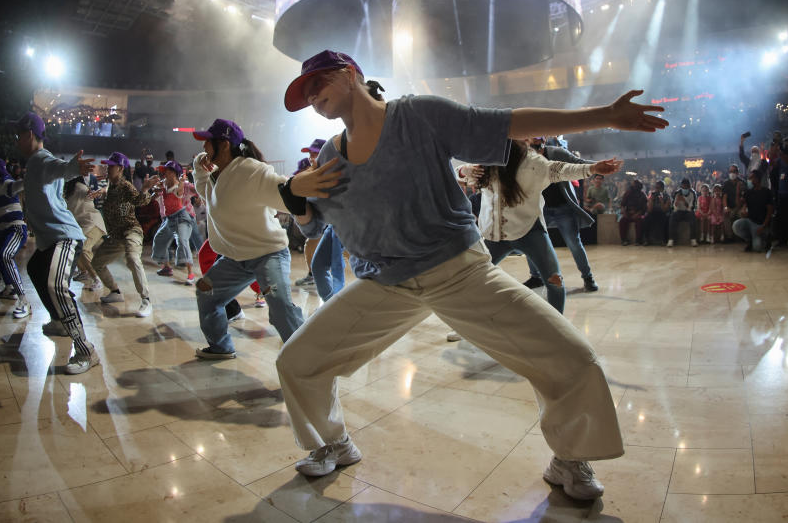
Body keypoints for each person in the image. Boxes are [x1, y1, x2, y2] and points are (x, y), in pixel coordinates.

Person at [275, 49, 668, 499]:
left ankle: (569, 459)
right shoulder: (329, 155)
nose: (311, 98)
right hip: (383, 283)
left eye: (316, 85)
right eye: (305, 94)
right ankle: (332, 443)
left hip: (457, 271)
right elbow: (313, 223)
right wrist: (294, 192)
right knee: (298, 361)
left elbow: (505, 122)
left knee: (573, 358)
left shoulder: (416, 115)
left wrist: (606, 116)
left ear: (350, 75)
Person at [190, 118, 305, 359]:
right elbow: (207, 194)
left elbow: (284, 192)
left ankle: (305, 360)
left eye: (207, 143)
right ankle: (220, 347)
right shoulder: (218, 176)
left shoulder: (251, 171)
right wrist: (199, 170)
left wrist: (305, 188)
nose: (204, 148)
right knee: (206, 293)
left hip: (267, 253)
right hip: (236, 258)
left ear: (223, 144)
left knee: (280, 308)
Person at [469, 140, 621, 317]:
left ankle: (560, 324)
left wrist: (593, 168)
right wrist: (464, 171)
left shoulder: (533, 162)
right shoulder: (487, 161)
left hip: (529, 230)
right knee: (472, 279)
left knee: (555, 279)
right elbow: (463, 173)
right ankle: (469, 322)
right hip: (494, 234)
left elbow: (561, 169)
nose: (530, 140)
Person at [13, 112, 98, 374]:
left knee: (55, 284)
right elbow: (49, 175)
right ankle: (61, 322)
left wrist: (73, 167)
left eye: (18, 136)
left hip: (65, 236)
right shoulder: (33, 165)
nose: (16, 141)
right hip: (52, 238)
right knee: (36, 269)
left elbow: (56, 167)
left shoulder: (41, 159)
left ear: (29, 135)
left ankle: (86, 350)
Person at [525, 140, 600, 292]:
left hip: (562, 207)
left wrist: (599, 166)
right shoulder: (524, 157)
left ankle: (588, 278)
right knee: (530, 240)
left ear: (543, 145)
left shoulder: (556, 153)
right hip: (540, 208)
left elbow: (578, 163)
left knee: (574, 243)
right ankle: (536, 277)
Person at [90, 152, 159, 318]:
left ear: (120, 168)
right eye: (108, 165)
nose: (108, 168)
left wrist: (145, 188)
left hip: (131, 231)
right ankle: (115, 291)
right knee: (97, 262)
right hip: (116, 236)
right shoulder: (111, 185)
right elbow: (110, 190)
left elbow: (140, 201)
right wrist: (103, 190)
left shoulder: (126, 186)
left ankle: (146, 300)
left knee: (133, 258)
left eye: (111, 166)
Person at [0, 158, 29, 310]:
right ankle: (9, 288)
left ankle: (23, 299)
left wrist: (31, 176)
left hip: (16, 228)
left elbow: (20, 184)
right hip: (3, 230)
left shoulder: (6, 183)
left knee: (5, 255)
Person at [151, 160, 198, 285]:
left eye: (169, 171)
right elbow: (153, 196)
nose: (165, 172)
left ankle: (190, 274)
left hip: (182, 218)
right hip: (169, 218)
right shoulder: (163, 184)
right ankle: (166, 267)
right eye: (165, 171)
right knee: (159, 239)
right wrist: (154, 189)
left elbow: (193, 190)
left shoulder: (181, 184)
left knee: (182, 241)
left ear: (175, 173)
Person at [295, 138, 327, 288]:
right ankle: (313, 275)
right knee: (311, 243)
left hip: (333, 220)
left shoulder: (331, 170)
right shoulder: (308, 168)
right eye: (310, 153)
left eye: (315, 153)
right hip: (318, 220)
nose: (311, 157)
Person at [65, 175, 106, 290]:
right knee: (75, 247)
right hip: (84, 224)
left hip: (93, 223)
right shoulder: (70, 190)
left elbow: (91, 192)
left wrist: (98, 192)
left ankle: (98, 278)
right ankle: (84, 271)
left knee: (83, 248)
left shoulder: (79, 187)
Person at [733, 169, 774, 252]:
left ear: (757, 179)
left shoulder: (766, 192)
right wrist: (737, 192)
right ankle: (749, 240)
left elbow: (770, 211)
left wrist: (764, 226)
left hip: (762, 224)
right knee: (736, 225)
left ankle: (766, 239)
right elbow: (740, 204)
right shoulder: (748, 192)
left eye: (751, 178)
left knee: (757, 248)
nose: (749, 180)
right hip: (750, 221)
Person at [667, 178, 698, 247]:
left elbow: (691, 208)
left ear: (689, 187)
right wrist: (677, 203)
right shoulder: (677, 193)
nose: (685, 188)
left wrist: (684, 201)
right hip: (679, 212)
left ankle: (693, 239)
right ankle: (671, 239)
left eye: (686, 187)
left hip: (688, 212)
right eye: (683, 187)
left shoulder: (692, 193)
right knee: (672, 216)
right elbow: (674, 208)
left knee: (692, 217)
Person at [641, 180, 671, 245]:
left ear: (662, 188)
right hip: (653, 212)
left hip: (663, 213)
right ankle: (646, 239)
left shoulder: (667, 196)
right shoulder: (652, 194)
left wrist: (662, 201)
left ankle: (664, 240)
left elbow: (665, 210)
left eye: (658, 188)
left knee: (665, 220)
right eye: (656, 187)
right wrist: (651, 200)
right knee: (646, 219)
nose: (657, 190)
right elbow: (649, 210)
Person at [618, 179, 647, 245]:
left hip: (638, 213)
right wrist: (624, 213)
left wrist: (638, 214)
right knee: (622, 221)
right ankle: (624, 240)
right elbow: (622, 204)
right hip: (628, 213)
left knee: (640, 221)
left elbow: (644, 208)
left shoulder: (642, 195)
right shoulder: (628, 193)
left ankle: (638, 240)